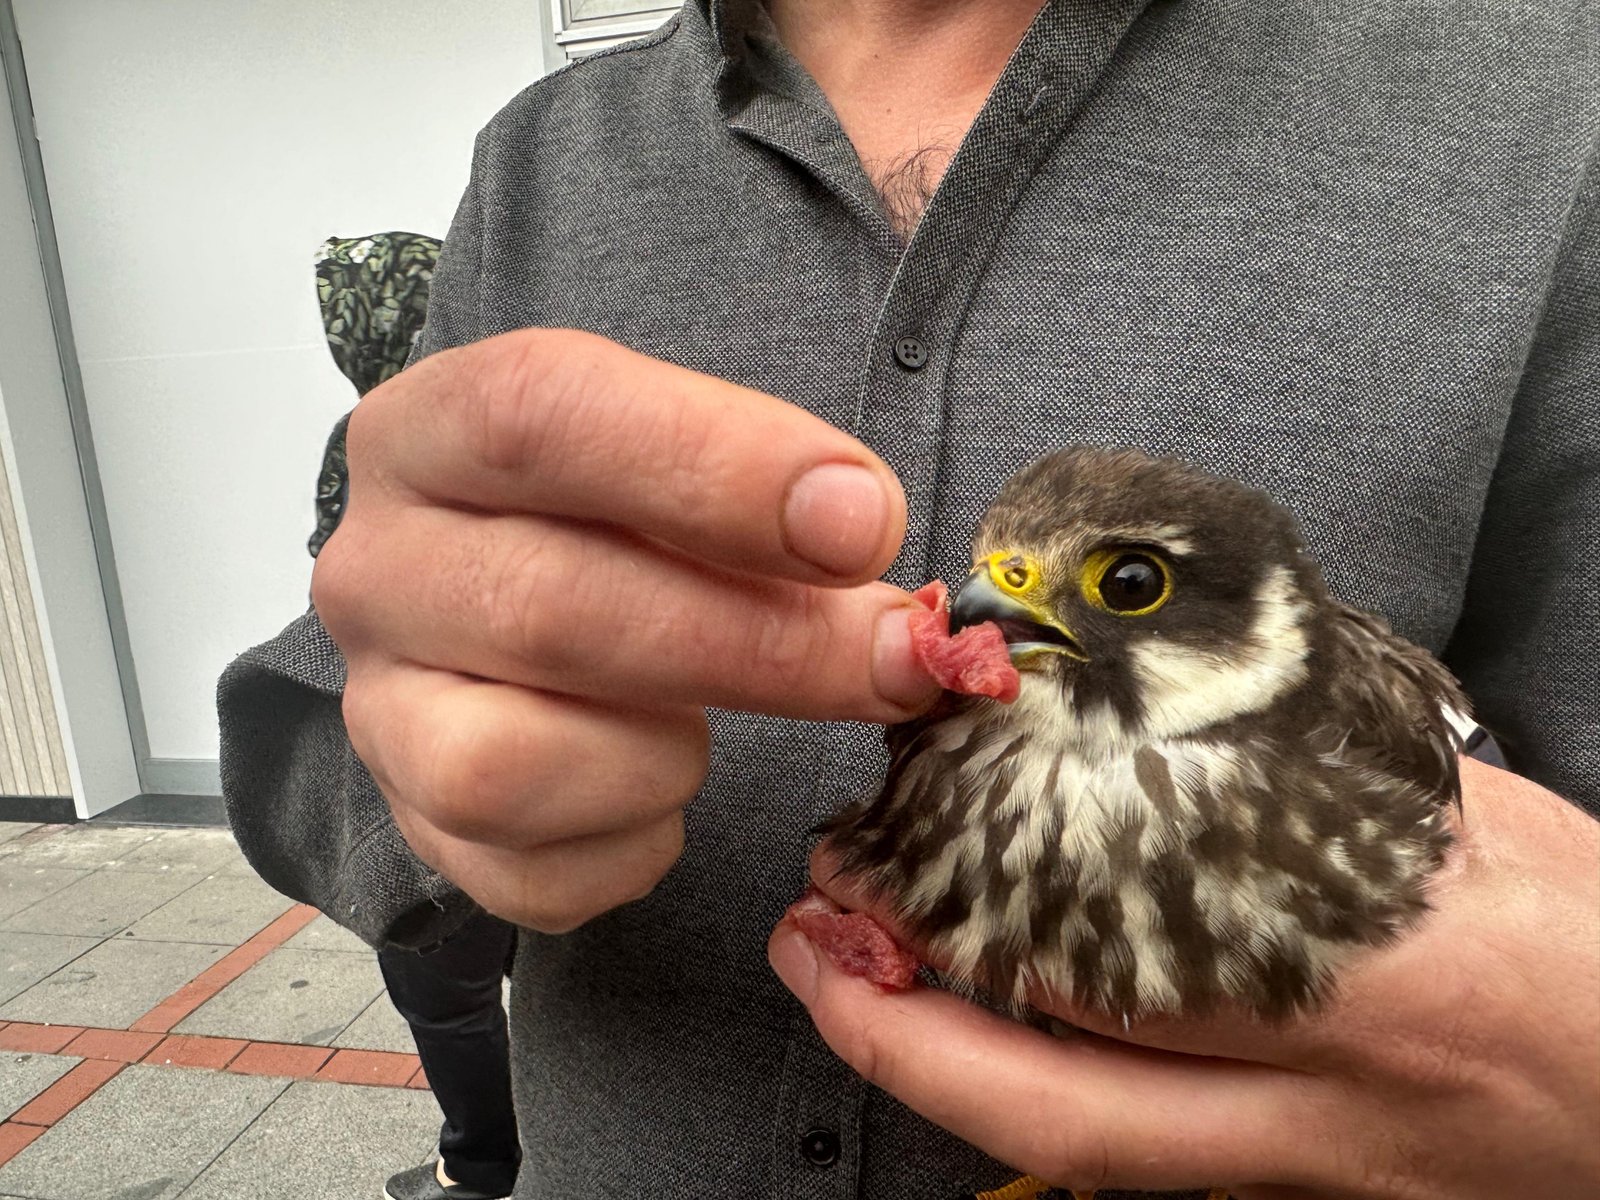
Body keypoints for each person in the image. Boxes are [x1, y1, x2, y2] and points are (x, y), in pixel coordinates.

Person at [219, 2, 1600, 1197]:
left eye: (1114, 586)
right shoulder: (540, 166)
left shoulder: (1548, 102)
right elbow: (332, 720)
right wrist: (422, 780)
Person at [309, 236, 522, 1200]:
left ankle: (479, 1167)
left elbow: (334, 600)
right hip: (538, 760)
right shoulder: (506, 422)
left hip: (435, 767)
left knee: (443, 987)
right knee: (566, 973)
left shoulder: (373, 440)